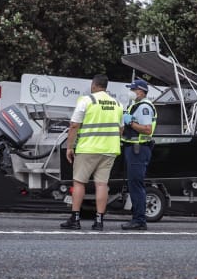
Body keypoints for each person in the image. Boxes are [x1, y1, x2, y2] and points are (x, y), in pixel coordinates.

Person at [61, 74, 123, 231]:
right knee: (102, 184)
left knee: (79, 182)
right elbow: (121, 128)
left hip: (88, 149)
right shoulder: (117, 104)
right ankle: (99, 221)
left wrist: (69, 146)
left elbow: (74, 125)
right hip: (109, 150)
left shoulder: (86, 100)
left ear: (94, 85)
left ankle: (75, 219)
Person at [121, 78, 157, 230]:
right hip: (134, 148)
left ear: (141, 91)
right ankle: (137, 218)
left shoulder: (144, 107)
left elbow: (147, 129)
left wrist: (130, 123)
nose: (131, 92)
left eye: (133, 89)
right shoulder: (135, 106)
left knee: (136, 185)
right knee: (134, 184)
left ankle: (139, 220)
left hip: (139, 149)